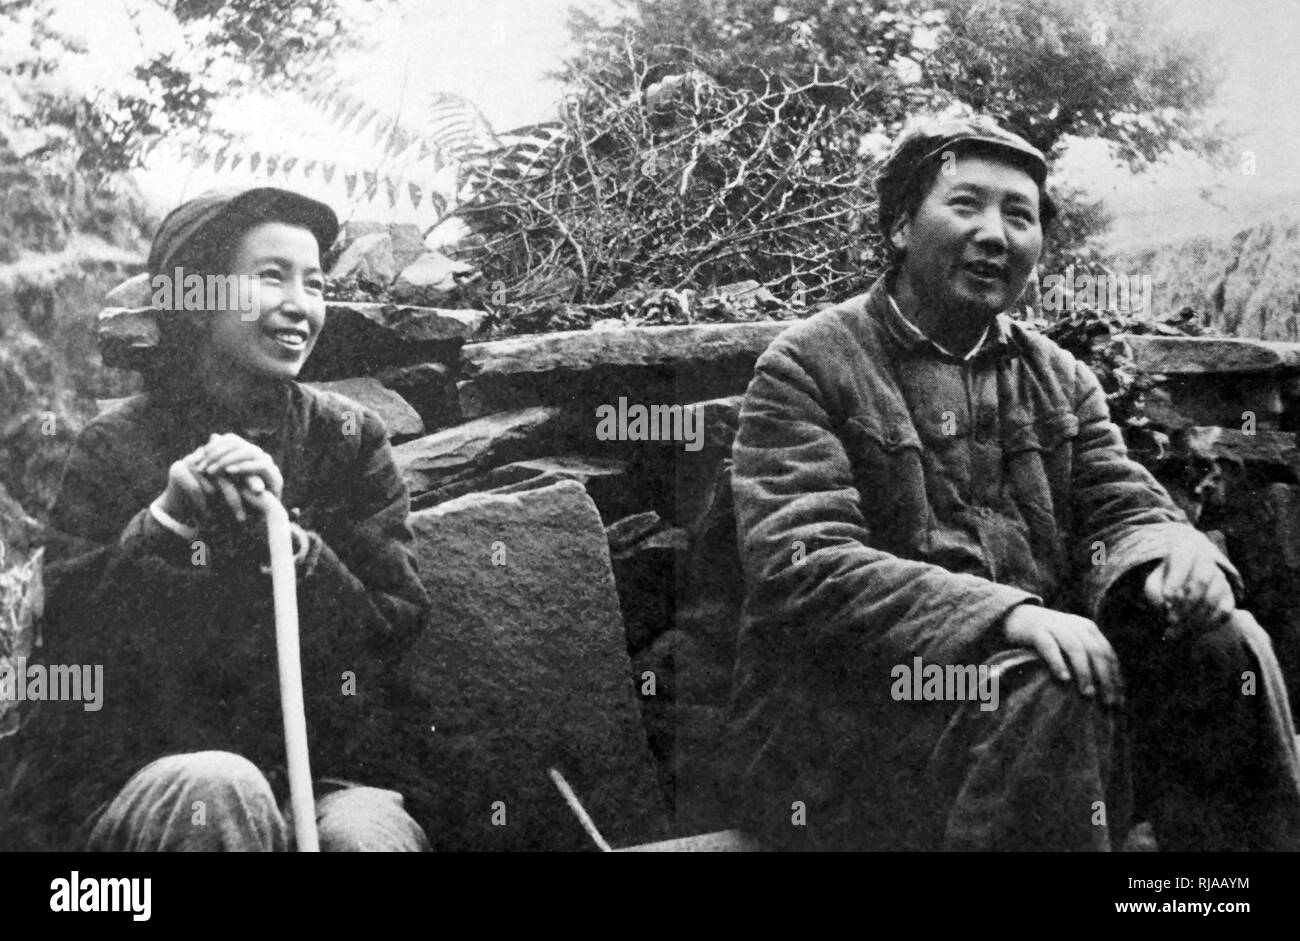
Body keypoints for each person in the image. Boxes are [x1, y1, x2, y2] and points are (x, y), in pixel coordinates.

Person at [727, 115, 1300, 851]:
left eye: (1019, 215)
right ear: (901, 225)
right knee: (1048, 682)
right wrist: (1007, 616)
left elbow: (1122, 508)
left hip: (1021, 714)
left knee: (1228, 643)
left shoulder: (1060, 376)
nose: (995, 234)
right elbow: (801, 564)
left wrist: (1173, 555)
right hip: (843, 725)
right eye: (966, 204)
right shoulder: (808, 365)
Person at [18, 187, 432, 851]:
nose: (301, 304)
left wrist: (295, 551)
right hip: (143, 780)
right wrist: (164, 526)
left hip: (324, 778)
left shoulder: (350, 440)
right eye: (271, 277)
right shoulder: (114, 446)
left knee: (365, 836)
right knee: (222, 790)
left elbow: (390, 629)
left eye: (315, 283)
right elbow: (70, 652)